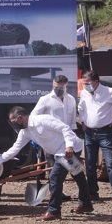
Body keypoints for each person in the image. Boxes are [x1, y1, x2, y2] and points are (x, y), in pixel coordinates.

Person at [0, 106, 93, 221]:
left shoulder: (42, 120)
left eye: (13, 121)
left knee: (54, 177)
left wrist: (69, 146)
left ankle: (54, 211)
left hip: (69, 148)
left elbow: (65, 128)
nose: (13, 125)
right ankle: (86, 204)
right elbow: (14, 149)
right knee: (77, 174)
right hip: (59, 150)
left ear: (20, 118)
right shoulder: (25, 132)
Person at [78, 70, 112, 204]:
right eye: (84, 83)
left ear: (96, 82)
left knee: (111, 162)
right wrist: (84, 121)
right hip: (90, 133)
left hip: (105, 132)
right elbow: (81, 107)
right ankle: (93, 193)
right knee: (90, 164)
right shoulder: (85, 93)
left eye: (88, 83)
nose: (85, 86)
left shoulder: (110, 92)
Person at [32, 74, 77, 202]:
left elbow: (73, 121)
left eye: (61, 87)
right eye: (56, 87)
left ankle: (61, 192)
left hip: (66, 139)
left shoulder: (71, 100)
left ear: (66, 86)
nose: (58, 89)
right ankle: (55, 194)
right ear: (53, 85)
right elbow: (34, 116)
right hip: (51, 139)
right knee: (53, 168)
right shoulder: (45, 99)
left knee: (67, 168)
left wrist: (72, 138)